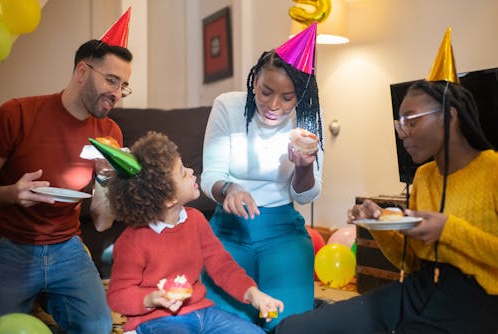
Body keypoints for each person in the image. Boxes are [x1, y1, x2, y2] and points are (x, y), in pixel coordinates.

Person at [276, 79, 498, 333]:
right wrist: (378, 223)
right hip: (419, 289)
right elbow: (410, 263)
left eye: (411, 121)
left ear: (449, 116)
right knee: (294, 329)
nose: (402, 132)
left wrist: (448, 230)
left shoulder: (493, 171)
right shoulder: (424, 177)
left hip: (478, 302)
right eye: (399, 123)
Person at [0, 38, 133, 333]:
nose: (118, 94)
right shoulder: (16, 114)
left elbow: (101, 223)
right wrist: (11, 194)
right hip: (11, 243)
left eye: (123, 86)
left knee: (99, 327)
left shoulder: (110, 132)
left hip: (67, 247)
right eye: (112, 81)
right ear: (82, 72)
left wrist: (106, 177)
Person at [200, 23, 324, 332]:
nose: (273, 106)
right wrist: (229, 188)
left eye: (287, 98)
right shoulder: (227, 106)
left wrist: (305, 167)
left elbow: (306, 194)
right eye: (266, 92)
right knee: (223, 326)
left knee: (289, 326)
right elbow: (210, 175)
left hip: (283, 233)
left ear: (300, 96)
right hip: (229, 231)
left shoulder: (307, 119)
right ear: (254, 80)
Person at [103, 131, 284, 334]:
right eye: (182, 173)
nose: (191, 171)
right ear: (168, 200)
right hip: (157, 320)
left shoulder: (195, 220)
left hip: (203, 312)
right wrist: (151, 299)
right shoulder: (132, 241)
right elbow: (118, 295)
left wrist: (253, 294)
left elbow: (222, 266)